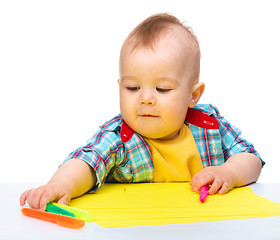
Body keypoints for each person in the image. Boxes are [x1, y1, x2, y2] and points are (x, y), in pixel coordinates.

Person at [20, 13, 264, 211]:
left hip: (207, 224)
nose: (145, 99)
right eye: (132, 87)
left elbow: (251, 158)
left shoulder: (209, 124)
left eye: (162, 88)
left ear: (193, 95)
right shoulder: (120, 136)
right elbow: (87, 161)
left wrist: (229, 172)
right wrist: (60, 185)